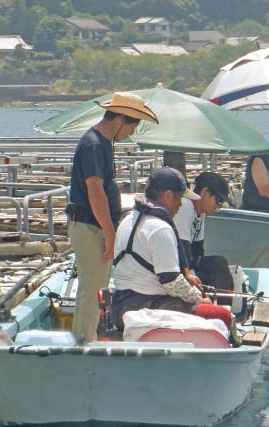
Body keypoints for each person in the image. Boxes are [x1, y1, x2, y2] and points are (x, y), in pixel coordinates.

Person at [66, 91, 158, 344]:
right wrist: (110, 232)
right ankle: (84, 342)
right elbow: (95, 193)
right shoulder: (94, 144)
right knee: (92, 287)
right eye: (133, 126)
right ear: (120, 119)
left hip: (96, 224)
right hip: (90, 224)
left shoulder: (103, 143)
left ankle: (88, 336)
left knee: (97, 285)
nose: (131, 133)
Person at [111, 167, 233, 331]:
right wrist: (200, 299)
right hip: (147, 307)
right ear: (168, 195)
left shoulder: (127, 220)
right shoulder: (160, 228)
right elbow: (171, 282)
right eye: (180, 198)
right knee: (220, 315)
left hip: (120, 307)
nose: (181, 204)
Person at [173, 171, 234, 290]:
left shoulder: (201, 213)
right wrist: (191, 274)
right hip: (173, 263)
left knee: (220, 266)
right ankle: (220, 305)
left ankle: (222, 304)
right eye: (219, 200)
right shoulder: (184, 206)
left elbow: (198, 250)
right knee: (218, 263)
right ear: (205, 193)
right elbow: (182, 251)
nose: (219, 206)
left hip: (185, 261)